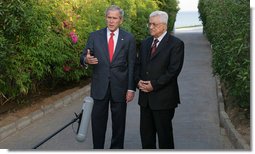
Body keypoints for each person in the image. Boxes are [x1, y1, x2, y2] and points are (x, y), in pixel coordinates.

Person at [80, 5, 136, 149]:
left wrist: (131, 88)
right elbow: (84, 55)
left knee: (119, 125)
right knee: (98, 123)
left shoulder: (128, 38)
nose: (111, 21)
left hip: (120, 88)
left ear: (120, 20)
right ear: (106, 18)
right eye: (109, 17)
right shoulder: (94, 36)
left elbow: (132, 64)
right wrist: (86, 60)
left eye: (114, 18)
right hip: (99, 88)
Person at [135, 10, 184, 149]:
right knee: (146, 138)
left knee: (165, 139)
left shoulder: (176, 44)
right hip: (145, 100)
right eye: (149, 24)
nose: (150, 27)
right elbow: (138, 65)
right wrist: (137, 81)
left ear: (164, 26)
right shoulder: (145, 43)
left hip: (164, 100)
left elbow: (173, 71)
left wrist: (154, 85)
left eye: (154, 24)